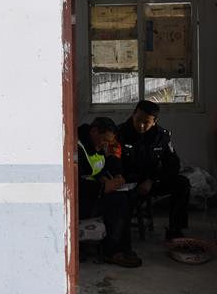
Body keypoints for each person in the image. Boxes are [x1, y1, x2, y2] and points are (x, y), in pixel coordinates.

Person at [118, 99, 191, 240]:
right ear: (133, 114)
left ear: (155, 121)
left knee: (182, 183)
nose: (141, 125)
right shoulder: (119, 133)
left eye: (146, 122)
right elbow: (113, 163)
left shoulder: (161, 136)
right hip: (126, 182)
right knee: (119, 201)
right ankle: (119, 237)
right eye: (138, 120)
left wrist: (152, 180)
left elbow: (173, 165)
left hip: (150, 182)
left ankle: (175, 231)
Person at [77, 116, 142, 268]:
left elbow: (95, 169)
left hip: (91, 194)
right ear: (94, 132)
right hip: (79, 201)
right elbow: (74, 182)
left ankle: (122, 247)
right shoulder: (76, 147)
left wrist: (107, 178)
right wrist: (102, 188)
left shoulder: (95, 145)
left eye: (109, 142)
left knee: (127, 196)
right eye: (104, 140)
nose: (106, 145)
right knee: (119, 202)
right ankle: (112, 251)